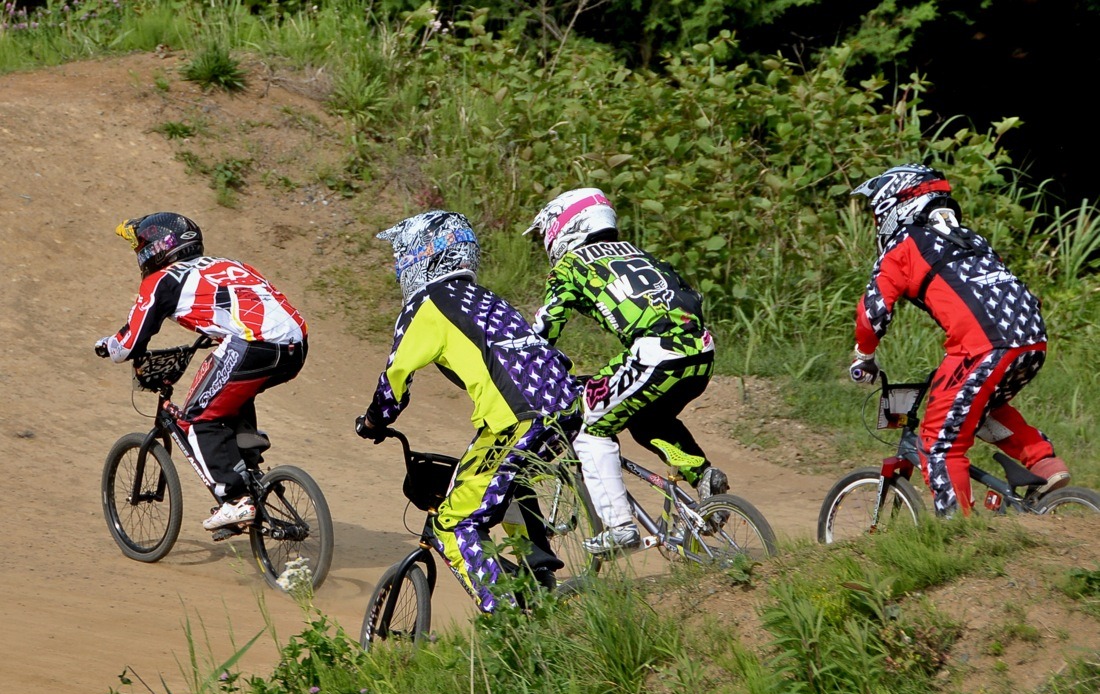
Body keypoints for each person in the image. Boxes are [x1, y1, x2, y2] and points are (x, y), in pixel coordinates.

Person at [354, 210, 581, 612]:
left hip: (517, 419)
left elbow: (394, 382)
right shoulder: (486, 299)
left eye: (402, 255)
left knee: (453, 524)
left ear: (421, 256)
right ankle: (539, 573)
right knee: (508, 480)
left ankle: (509, 620)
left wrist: (373, 421)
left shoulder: (427, 305)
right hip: (564, 405)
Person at [848, 163, 1071, 516]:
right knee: (975, 408)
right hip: (1032, 339)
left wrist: (863, 356)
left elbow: (873, 310)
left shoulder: (905, 246)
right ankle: (1044, 464)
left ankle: (957, 533)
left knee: (938, 443)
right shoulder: (971, 239)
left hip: (984, 346)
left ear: (895, 204)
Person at [524, 188, 728, 556]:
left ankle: (619, 527)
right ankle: (703, 477)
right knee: (648, 420)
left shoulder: (572, 265)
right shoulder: (637, 252)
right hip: (702, 349)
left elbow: (545, 328)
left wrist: (523, 365)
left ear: (565, 225)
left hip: (655, 353)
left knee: (591, 424)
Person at [95, 212, 309, 532]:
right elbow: (251, 302)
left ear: (158, 248)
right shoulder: (227, 263)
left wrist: (108, 346)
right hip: (297, 343)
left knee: (197, 418)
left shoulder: (161, 280)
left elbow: (131, 342)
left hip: (253, 344)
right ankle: (248, 453)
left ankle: (235, 499)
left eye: (141, 245)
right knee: (231, 393)